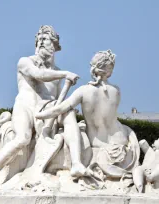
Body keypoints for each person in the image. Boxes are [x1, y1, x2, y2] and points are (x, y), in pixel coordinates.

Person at [0, 26, 86, 190]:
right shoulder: (25, 61)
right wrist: (65, 74)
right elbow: (39, 75)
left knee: (68, 113)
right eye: (39, 40)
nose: (41, 43)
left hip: (45, 109)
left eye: (46, 40)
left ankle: (76, 164)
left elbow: (59, 100)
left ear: (55, 45)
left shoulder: (57, 72)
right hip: (25, 106)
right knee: (22, 138)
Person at [36, 50, 140, 179]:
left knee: (68, 114)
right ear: (110, 71)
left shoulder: (84, 91)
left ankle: (76, 164)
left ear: (93, 67)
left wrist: (38, 115)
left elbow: (59, 109)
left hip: (98, 143)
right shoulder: (116, 91)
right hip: (121, 143)